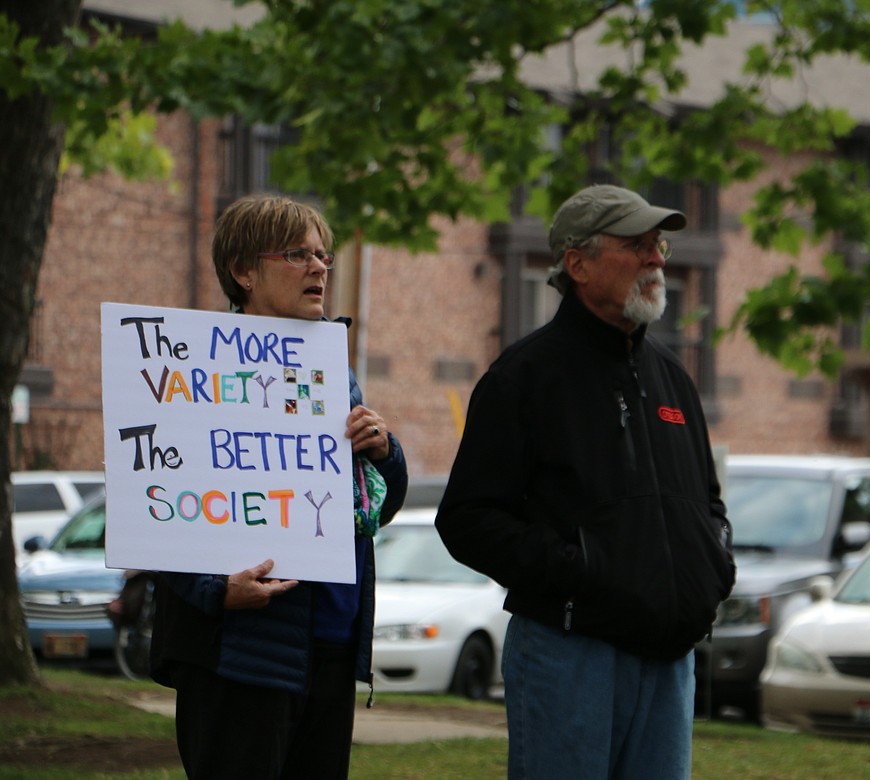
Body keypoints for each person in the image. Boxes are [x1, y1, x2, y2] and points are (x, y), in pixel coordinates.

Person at [436, 184, 736, 779]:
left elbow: (708, 502)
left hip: (670, 661)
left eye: (660, 245)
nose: (656, 258)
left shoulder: (673, 379)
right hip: (571, 655)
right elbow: (466, 519)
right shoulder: (525, 377)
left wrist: (713, 566)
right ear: (578, 263)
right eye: (637, 245)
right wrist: (579, 571)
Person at [149, 195, 408, 780]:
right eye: (297, 254)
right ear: (244, 271)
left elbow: (376, 507)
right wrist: (214, 590)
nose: (319, 267)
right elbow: (151, 504)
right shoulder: (191, 370)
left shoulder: (332, 374)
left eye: (324, 255)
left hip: (331, 645)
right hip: (243, 653)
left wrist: (384, 452)